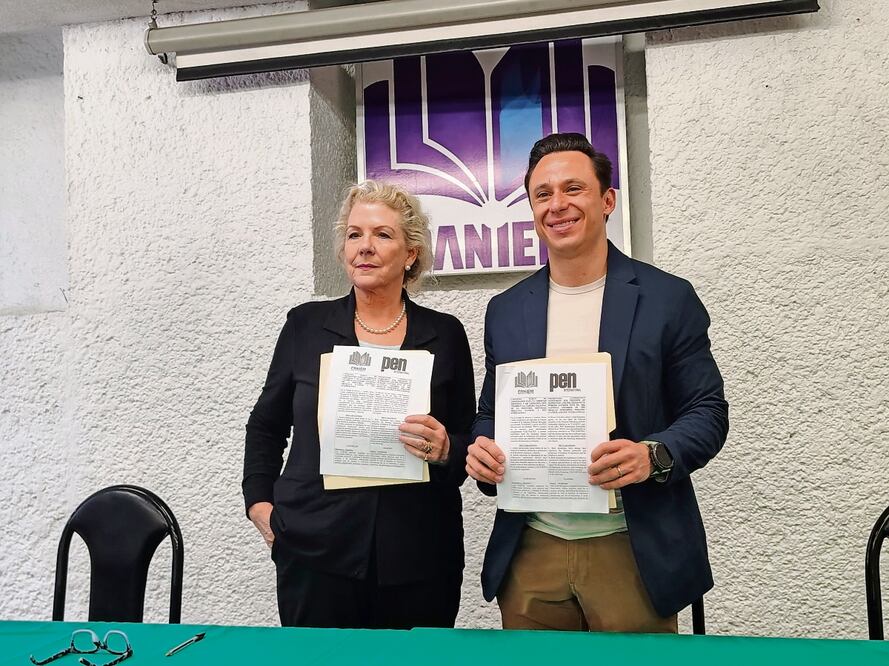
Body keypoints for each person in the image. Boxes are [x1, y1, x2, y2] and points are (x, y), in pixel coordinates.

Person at [466, 133, 729, 633]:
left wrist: (651, 454)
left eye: (573, 189)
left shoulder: (667, 298)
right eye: (542, 194)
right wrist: (482, 448)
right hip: (531, 548)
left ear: (607, 200)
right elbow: (490, 411)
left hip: (632, 545)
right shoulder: (505, 310)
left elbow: (707, 411)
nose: (557, 205)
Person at [243, 180, 475, 629]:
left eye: (382, 235)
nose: (364, 247)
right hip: (314, 551)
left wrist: (448, 449)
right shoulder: (305, 325)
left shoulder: (445, 335)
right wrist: (260, 505)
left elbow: (468, 438)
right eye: (354, 234)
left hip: (419, 558)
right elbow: (266, 426)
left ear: (410, 254)